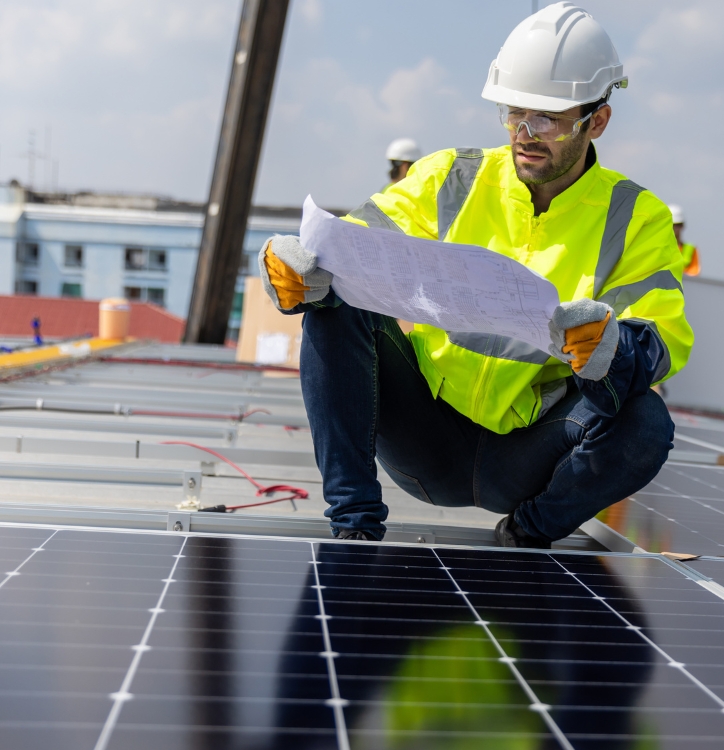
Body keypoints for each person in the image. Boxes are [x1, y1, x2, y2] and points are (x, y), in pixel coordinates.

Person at [256, 3, 692, 546]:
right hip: (426, 437)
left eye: (547, 119)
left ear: (597, 120)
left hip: (530, 456)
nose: (524, 134)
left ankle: (527, 533)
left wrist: (613, 347)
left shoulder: (635, 217)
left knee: (646, 422)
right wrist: (296, 269)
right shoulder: (449, 179)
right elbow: (346, 250)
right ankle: (354, 524)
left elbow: (662, 335)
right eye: (514, 113)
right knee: (334, 305)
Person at [668, 204, 701, 276]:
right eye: (672, 225)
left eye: (677, 225)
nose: (674, 228)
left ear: (682, 226)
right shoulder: (659, 248)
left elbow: (694, 274)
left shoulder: (691, 249)